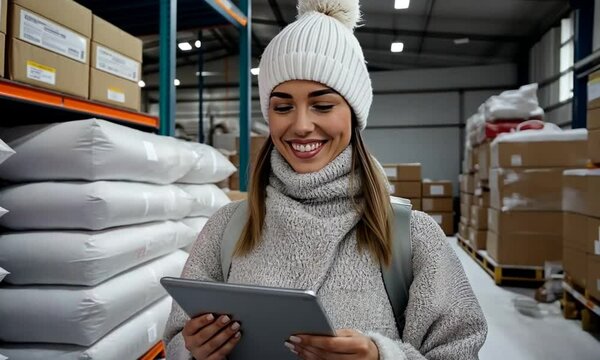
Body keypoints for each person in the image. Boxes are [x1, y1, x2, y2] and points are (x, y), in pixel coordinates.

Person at [164, 0, 487, 359]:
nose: (301, 125)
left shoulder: (412, 237)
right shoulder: (226, 229)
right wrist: (193, 350)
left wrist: (383, 356)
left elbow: (458, 350)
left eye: (322, 105)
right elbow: (178, 337)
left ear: (353, 113)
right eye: (283, 106)